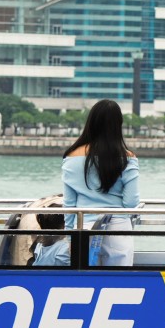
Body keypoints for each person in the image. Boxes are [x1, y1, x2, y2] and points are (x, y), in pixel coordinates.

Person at [62, 99, 140, 267]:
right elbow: (131, 202)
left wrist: (70, 236)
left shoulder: (71, 157)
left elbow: (69, 205)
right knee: (118, 284)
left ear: (91, 122)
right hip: (117, 227)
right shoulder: (126, 157)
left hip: (83, 227)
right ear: (118, 125)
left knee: (85, 283)